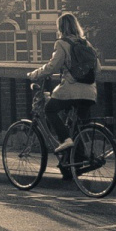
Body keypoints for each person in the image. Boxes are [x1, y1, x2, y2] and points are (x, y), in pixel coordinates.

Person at [28, 12, 99, 154]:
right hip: (90, 92)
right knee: (75, 127)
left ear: (60, 28)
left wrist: (34, 74)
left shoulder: (62, 43)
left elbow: (51, 67)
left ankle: (65, 139)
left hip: (71, 91)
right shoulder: (87, 44)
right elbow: (98, 69)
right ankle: (74, 167)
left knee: (50, 109)